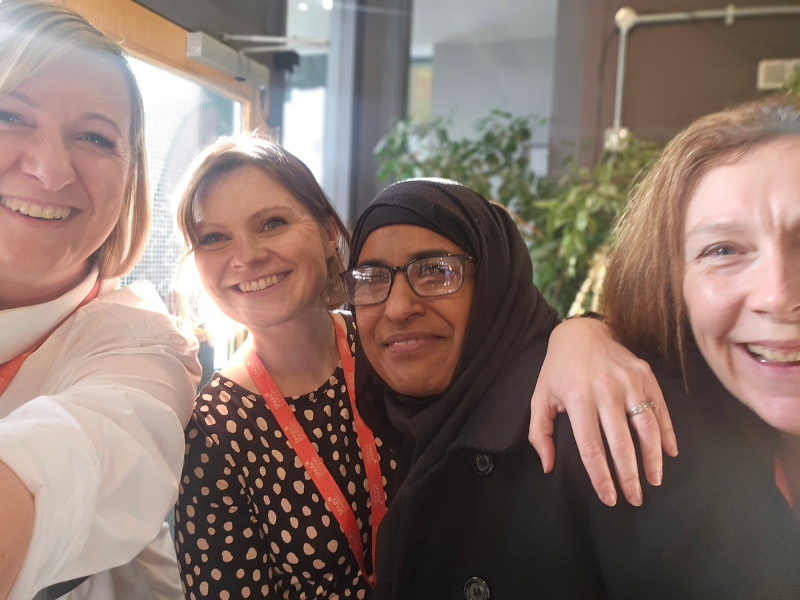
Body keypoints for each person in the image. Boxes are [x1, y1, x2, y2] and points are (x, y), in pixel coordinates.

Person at [172, 134, 671, 599]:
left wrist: (583, 330)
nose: (248, 256)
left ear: (328, 233)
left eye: (272, 223)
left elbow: (507, 345)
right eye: (214, 238)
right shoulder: (215, 429)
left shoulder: (391, 345)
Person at [347, 172, 800, 599]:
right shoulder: (412, 425)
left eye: (436, 272)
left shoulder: (609, 415)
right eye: (370, 279)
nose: (398, 307)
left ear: (494, 284)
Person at [0, 2, 201, 599]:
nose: (49, 169)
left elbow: (88, 450)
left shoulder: (143, 347)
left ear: (131, 176)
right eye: (11, 116)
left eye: (94, 137)